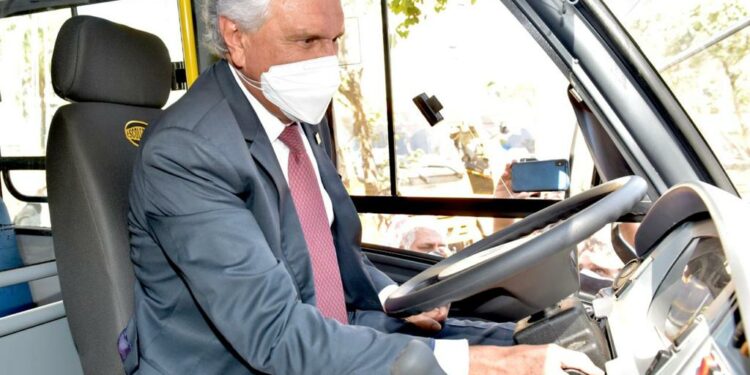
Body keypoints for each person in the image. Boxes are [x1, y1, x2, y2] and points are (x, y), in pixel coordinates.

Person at [124, 0, 604, 374]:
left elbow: (331, 252)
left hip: (329, 337)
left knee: (537, 343)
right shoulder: (185, 152)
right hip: (244, 363)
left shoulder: (292, 114)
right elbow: (273, 336)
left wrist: (393, 296)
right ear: (236, 37)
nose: (327, 60)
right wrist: (488, 367)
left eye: (334, 39)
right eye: (307, 40)